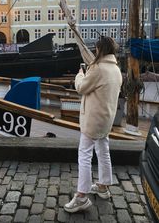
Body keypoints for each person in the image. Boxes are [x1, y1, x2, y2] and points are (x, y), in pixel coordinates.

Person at [64, 36, 122, 213]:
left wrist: (80, 74)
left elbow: (81, 88)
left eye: (96, 49)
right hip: (106, 119)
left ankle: (81, 196)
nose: (95, 52)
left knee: (84, 155)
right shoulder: (116, 70)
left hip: (93, 120)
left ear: (101, 50)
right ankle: (103, 186)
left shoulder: (97, 69)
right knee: (103, 150)